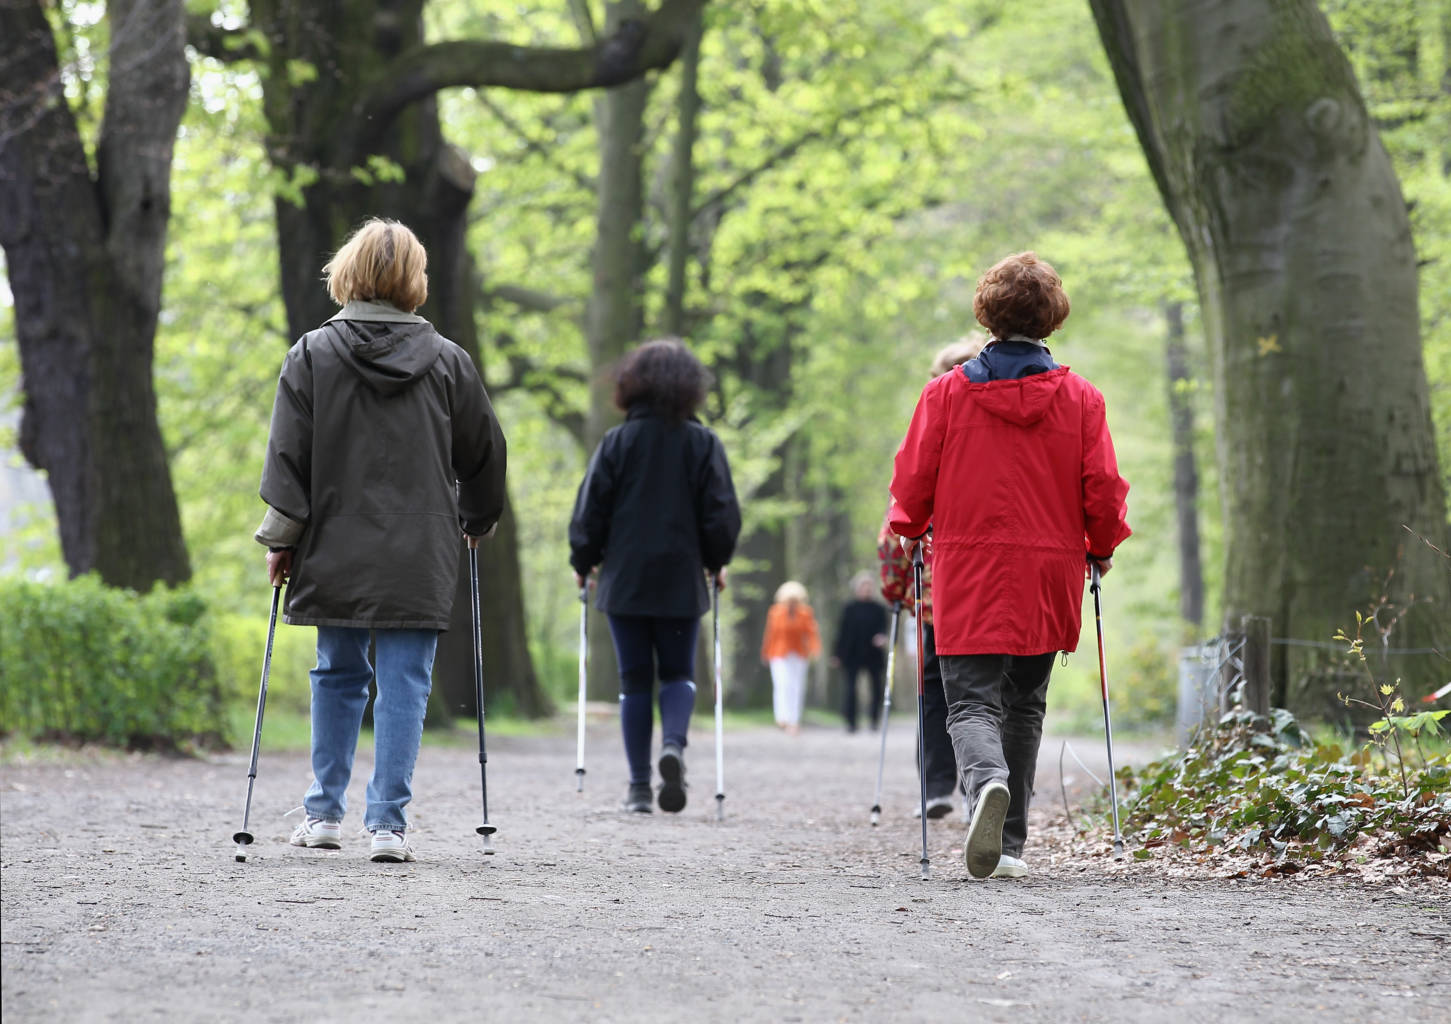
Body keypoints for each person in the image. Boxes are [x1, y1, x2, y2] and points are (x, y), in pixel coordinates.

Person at [255, 218, 506, 863]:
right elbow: (484, 451)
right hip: (420, 549)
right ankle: (387, 824)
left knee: (337, 673)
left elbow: (289, 456)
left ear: (347, 273)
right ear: (412, 281)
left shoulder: (311, 355)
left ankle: (323, 813)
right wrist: (476, 520)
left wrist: (281, 537)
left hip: (333, 539)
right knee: (406, 683)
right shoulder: (449, 361)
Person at [889, 252, 1130, 880]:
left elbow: (912, 480)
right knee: (1024, 704)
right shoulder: (1082, 399)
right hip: (1047, 574)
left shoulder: (945, 394)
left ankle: (986, 783)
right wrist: (1102, 545)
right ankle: (1011, 846)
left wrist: (908, 530)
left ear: (988, 313)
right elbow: (1102, 486)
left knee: (968, 703)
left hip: (967, 568)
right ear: (1052, 318)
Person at [569, 339, 741, 815]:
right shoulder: (703, 443)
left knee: (634, 680)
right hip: (681, 578)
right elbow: (721, 514)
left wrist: (584, 562)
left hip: (624, 578)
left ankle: (640, 787)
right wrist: (716, 559)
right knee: (679, 673)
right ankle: (673, 745)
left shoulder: (616, 443)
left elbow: (590, 511)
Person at [878, 336, 985, 818]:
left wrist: (896, 586)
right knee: (987, 689)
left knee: (936, 688)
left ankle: (939, 786)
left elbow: (900, 512)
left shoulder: (931, 422)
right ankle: (975, 788)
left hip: (936, 591)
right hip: (989, 586)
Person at [760, 582, 822, 735]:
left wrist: (815, 649)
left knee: (797, 686)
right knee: (781, 684)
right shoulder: (775, 612)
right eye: (789, 600)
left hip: (799, 653)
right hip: (778, 653)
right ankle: (782, 717)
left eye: (795, 601)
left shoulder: (806, 613)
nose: (792, 604)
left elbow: (811, 632)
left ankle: (794, 720)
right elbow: (770, 634)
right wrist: (765, 652)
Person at [831, 573, 888, 732]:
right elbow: (842, 632)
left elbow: (883, 629)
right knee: (850, 689)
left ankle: (874, 720)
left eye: (869, 586)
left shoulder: (879, 608)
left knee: (876, 688)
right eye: (863, 586)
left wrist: (882, 638)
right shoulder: (849, 608)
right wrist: (837, 654)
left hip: (873, 654)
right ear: (856, 589)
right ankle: (851, 721)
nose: (866, 589)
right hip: (852, 653)